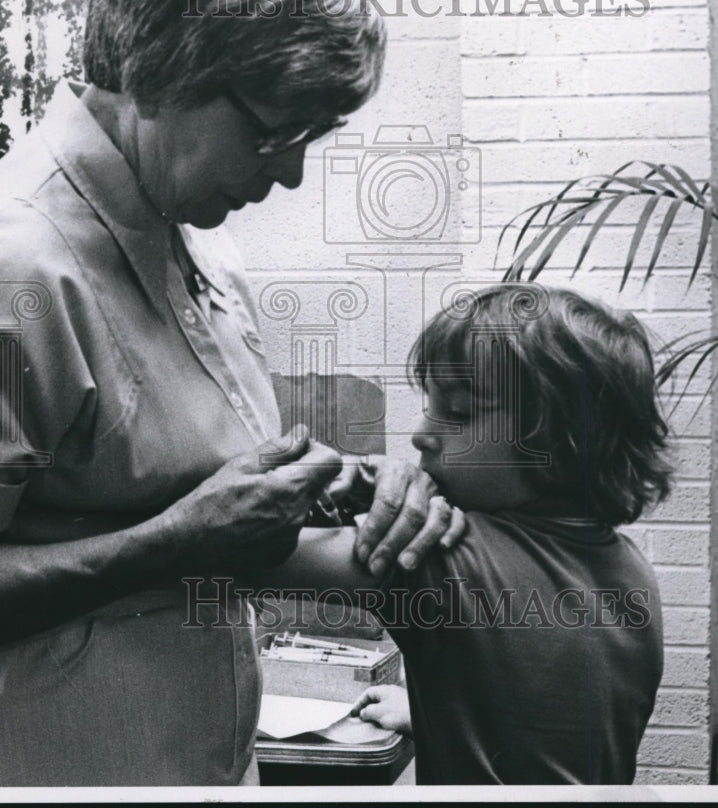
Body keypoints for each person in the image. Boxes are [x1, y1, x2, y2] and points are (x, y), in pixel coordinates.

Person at [0, 0, 464, 787]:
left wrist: (374, 519)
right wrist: (176, 540)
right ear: (162, 68)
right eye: (274, 131)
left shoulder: (200, 258)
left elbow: (211, 535)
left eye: (314, 133)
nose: (294, 173)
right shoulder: (14, 268)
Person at [247, 284, 672, 784]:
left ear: (559, 439)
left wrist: (339, 478)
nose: (421, 433)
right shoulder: (633, 570)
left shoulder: (444, 556)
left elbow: (243, 550)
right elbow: (550, 724)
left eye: (458, 412)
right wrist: (425, 713)